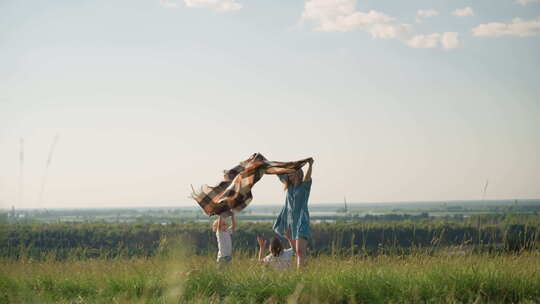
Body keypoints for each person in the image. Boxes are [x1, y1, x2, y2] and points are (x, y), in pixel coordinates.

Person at [273, 158, 314, 268]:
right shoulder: (289, 187)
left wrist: (310, 166)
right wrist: (266, 162)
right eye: (289, 174)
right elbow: (278, 172)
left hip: (302, 221)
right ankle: (303, 272)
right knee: (297, 252)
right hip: (291, 223)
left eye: (292, 173)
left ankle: (301, 273)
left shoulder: (304, 187)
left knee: (300, 252)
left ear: (298, 173)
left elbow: (308, 178)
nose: (289, 176)